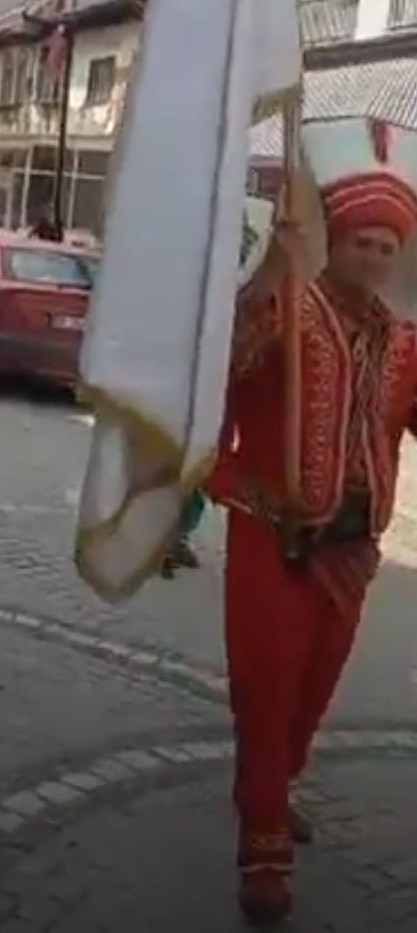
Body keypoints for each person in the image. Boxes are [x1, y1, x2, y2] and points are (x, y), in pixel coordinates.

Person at [210, 120, 417, 927]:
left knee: (311, 691)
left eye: (384, 246)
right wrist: (208, 475)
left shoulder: (403, 344)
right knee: (264, 688)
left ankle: (266, 784)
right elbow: (219, 384)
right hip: (270, 533)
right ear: (330, 241)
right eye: (359, 240)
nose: (371, 256)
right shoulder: (280, 311)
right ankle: (262, 844)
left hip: (352, 551)